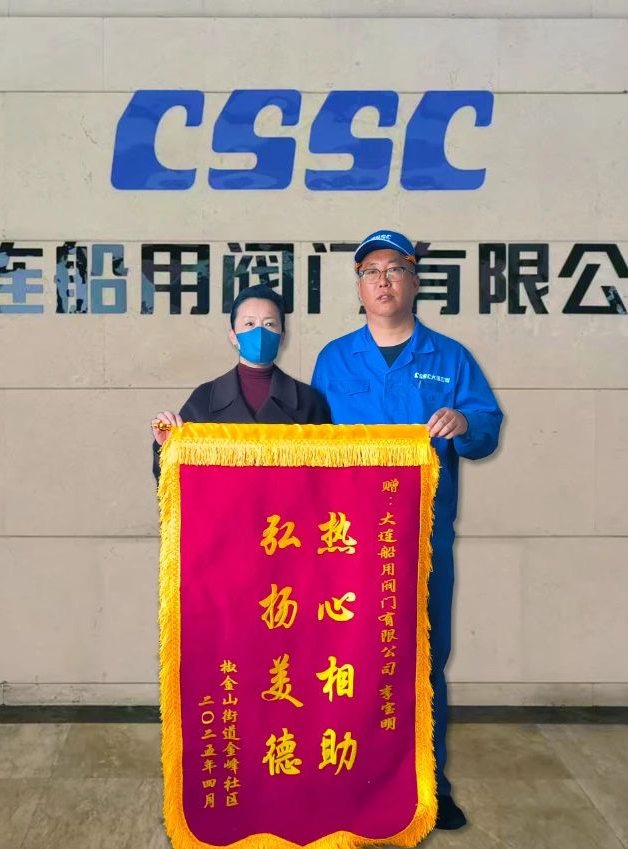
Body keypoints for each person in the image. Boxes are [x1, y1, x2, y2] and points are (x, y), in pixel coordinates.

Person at [310, 230, 503, 832]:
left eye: (395, 269)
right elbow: (308, 446)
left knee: (422, 656)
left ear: (415, 281)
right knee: (349, 657)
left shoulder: (449, 358)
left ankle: (428, 784)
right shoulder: (334, 359)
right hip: (348, 542)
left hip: (422, 539)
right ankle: (346, 779)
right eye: (370, 271)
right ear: (359, 288)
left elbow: (486, 429)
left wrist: (464, 422)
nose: (383, 281)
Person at [151, 283, 330, 477]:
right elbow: (175, 481)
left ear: (282, 337)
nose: (260, 332)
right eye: (249, 324)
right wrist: (164, 445)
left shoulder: (308, 400)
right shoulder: (204, 398)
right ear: (233, 337)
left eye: (269, 324)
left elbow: (326, 476)